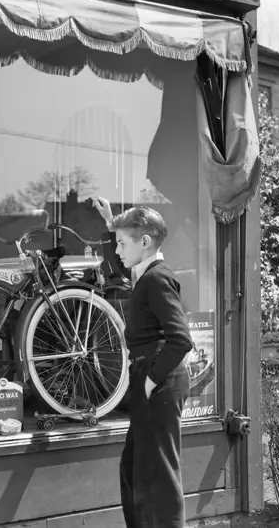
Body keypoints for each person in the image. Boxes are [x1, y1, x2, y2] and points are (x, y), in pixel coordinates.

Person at [93, 196, 192, 528]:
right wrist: (113, 226)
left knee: (160, 475)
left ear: (145, 242)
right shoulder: (146, 273)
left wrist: (150, 381)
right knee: (134, 467)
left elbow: (181, 340)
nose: (118, 250)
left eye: (122, 243)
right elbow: (124, 262)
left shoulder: (157, 278)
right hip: (150, 377)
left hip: (158, 379)